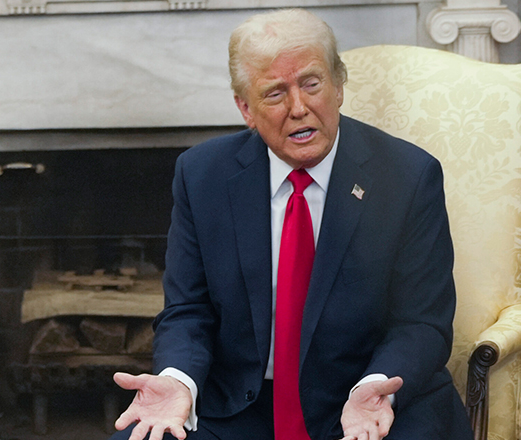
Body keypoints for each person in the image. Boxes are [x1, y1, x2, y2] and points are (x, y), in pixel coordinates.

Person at [110, 9, 473, 440]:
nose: (299, 108)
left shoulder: (408, 176)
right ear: (246, 108)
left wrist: (377, 385)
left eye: (312, 84)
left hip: (365, 399)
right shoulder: (202, 175)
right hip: (240, 407)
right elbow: (188, 310)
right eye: (275, 93)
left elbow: (422, 322)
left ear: (339, 86)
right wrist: (177, 380)